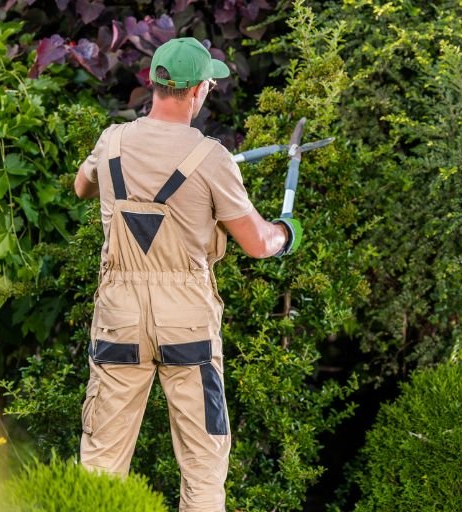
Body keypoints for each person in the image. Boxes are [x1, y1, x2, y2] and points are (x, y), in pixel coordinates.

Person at [72, 37, 302, 512]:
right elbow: (258, 244)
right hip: (187, 322)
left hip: (120, 316)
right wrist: (285, 233)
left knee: (101, 460)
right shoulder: (212, 158)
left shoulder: (110, 141)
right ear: (198, 90)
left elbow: (81, 185)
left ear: (154, 83)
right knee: (202, 464)